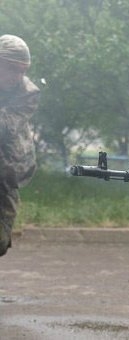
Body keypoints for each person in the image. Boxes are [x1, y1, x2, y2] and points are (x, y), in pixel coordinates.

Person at [0, 34, 40, 256]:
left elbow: (5, 127)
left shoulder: (27, 92)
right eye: (13, 69)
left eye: (23, 71)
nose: (18, 76)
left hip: (6, 173)